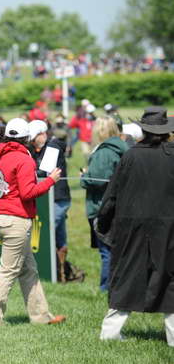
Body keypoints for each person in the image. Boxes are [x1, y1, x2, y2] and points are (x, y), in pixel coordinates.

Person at [96, 107, 174, 347]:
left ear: (143, 129)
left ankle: (110, 333)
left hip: (132, 228)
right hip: (169, 228)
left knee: (127, 275)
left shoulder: (130, 156)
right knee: (170, 278)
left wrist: (104, 221)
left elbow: (112, 195)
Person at [0, 117, 65, 326]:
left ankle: (40, 316)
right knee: (8, 271)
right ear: (27, 138)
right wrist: (50, 181)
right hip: (16, 220)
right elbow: (28, 192)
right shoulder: (23, 159)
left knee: (29, 269)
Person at [80, 117, 128, 292]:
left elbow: (97, 180)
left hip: (103, 207)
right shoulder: (122, 147)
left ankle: (106, 288)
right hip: (119, 205)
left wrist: (84, 177)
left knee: (107, 251)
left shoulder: (104, 152)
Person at [28, 120, 73, 282]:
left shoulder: (53, 146)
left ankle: (54, 272)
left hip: (58, 198)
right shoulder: (35, 150)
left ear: (43, 133)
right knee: (59, 236)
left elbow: (42, 172)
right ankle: (61, 273)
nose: (32, 142)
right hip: (47, 198)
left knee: (47, 232)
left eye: (34, 138)